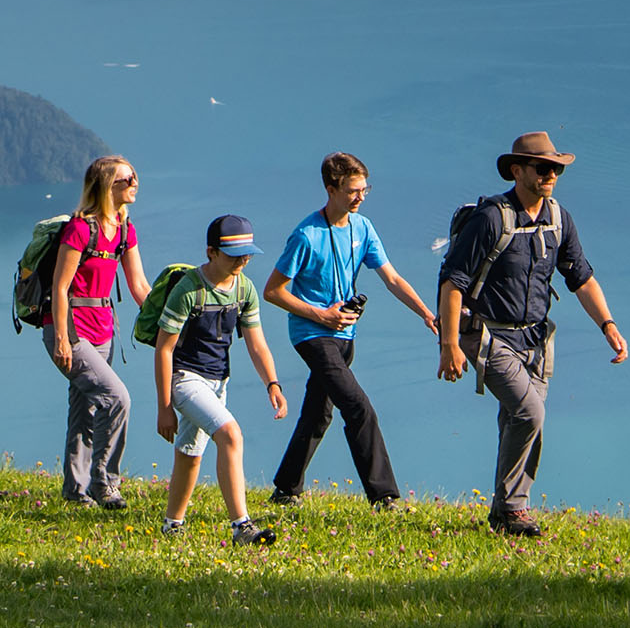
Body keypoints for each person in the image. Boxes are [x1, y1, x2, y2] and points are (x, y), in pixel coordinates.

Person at [436, 131, 628, 537]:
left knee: (518, 420)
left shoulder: (559, 219)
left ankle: (503, 513)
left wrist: (608, 325)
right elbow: (452, 283)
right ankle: (513, 508)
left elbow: (581, 277)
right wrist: (449, 344)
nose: (551, 175)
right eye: (542, 168)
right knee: (530, 413)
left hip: (536, 340)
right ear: (517, 170)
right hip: (486, 334)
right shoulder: (492, 218)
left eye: (555, 168)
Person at [260, 151, 434, 508]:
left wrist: (427, 315)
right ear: (331, 188)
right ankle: (384, 495)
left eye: (364, 189)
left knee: (318, 413)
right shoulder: (306, 235)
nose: (361, 197)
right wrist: (321, 316)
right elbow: (272, 291)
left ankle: (286, 488)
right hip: (313, 335)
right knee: (359, 407)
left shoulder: (363, 227)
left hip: (345, 335)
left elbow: (393, 279)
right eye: (354, 190)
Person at [152, 214, 287, 545]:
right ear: (211, 252)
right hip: (185, 380)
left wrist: (273, 383)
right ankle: (241, 525)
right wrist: (165, 407)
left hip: (218, 382)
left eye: (246, 253)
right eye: (233, 254)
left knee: (189, 453)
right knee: (230, 434)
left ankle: (172, 525)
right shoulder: (188, 290)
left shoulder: (244, 289)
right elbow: (163, 349)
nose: (242, 260)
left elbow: (257, 343)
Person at [45, 154, 151, 509]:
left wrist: (168, 322)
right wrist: (62, 339)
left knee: (85, 410)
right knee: (117, 398)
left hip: (103, 329)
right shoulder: (80, 229)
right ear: (107, 185)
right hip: (71, 330)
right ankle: (104, 483)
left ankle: (75, 493)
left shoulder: (124, 230)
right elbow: (60, 288)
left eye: (134, 177)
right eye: (127, 180)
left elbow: (138, 286)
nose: (134, 184)